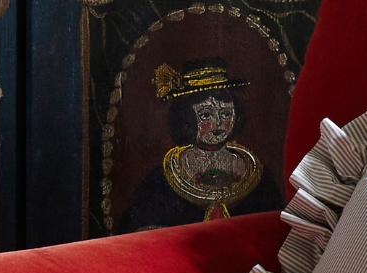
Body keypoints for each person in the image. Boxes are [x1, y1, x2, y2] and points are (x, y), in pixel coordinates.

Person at [120, 59, 281, 229]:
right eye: (206, 115)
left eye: (225, 114)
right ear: (187, 119)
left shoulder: (256, 173)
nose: (218, 123)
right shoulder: (161, 179)